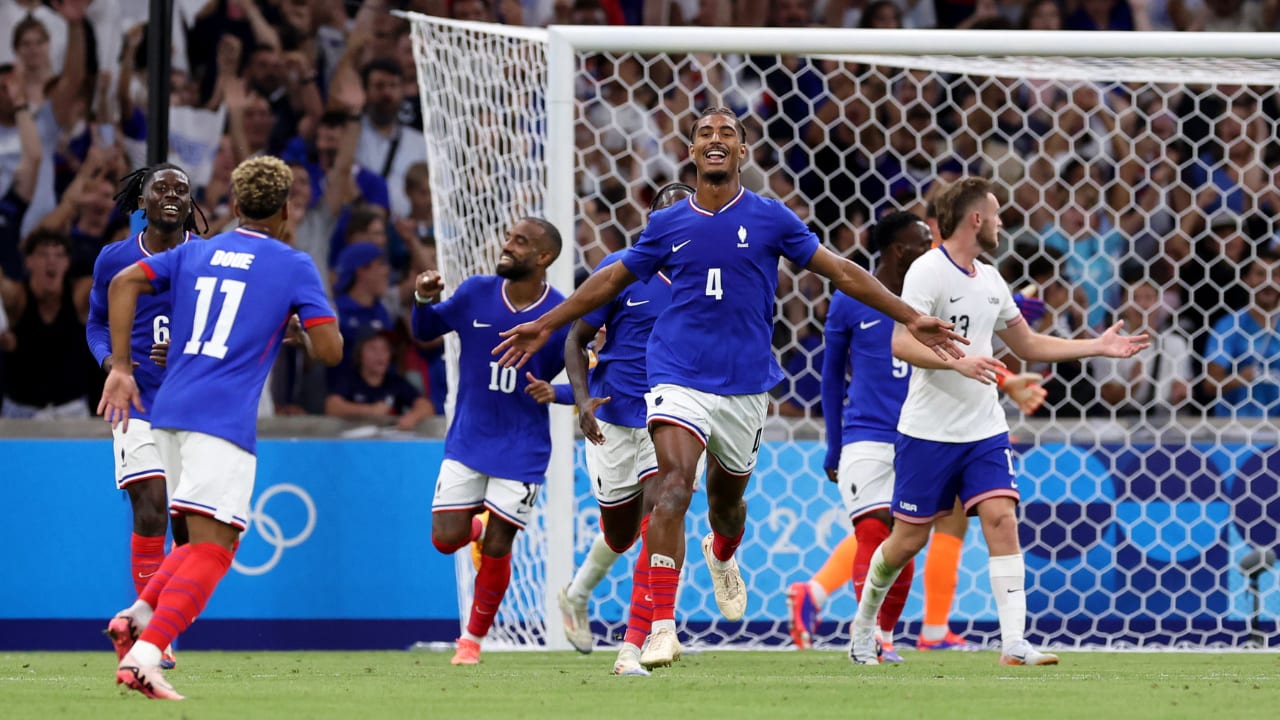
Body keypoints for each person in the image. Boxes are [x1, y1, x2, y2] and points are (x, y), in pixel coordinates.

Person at [493, 107, 966, 669]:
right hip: (676, 374)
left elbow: (841, 271)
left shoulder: (770, 218)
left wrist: (910, 316)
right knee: (672, 487)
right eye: (704, 135)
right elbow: (613, 277)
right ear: (691, 152)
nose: (715, 141)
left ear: (742, 151)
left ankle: (723, 554)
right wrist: (548, 322)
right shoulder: (667, 225)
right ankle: (661, 629)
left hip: (743, 386)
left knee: (726, 506)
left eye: (726, 135)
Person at [848, 177, 1147, 667]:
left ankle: (1013, 643)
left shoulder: (989, 279)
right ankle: (864, 628)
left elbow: (1027, 344)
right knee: (907, 540)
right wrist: (957, 362)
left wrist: (1097, 345)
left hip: (984, 427)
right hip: (928, 431)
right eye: (997, 212)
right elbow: (901, 343)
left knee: (1002, 519)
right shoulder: (928, 271)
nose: (1004, 221)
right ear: (976, 219)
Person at [98, 156, 342, 699]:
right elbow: (330, 350)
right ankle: (145, 655)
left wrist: (120, 367)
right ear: (285, 209)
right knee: (217, 548)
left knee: (193, 541)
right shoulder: (292, 263)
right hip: (221, 419)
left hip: (168, 411)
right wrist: (299, 327)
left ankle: (136, 617)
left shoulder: (195, 251)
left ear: (232, 205)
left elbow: (121, 284)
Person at [786, 212, 1047, 659]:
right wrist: (835, 443)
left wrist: (1010, 331)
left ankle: (911, 625)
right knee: (880, 529)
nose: (933, 247)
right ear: (901, 248)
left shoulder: (940, 289)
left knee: (920, 532)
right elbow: (831, 376)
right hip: (871, 433)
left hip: (930, 431)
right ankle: (891, 627)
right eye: (923, 240)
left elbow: (967, 349)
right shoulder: (855, 297)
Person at [547, 182, 700, 676]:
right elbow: (576, 338)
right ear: (652, 222)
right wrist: (582, 396)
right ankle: (577, 593)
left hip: (671, 416)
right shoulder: (621, 270)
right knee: (618, 532)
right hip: (613, 418)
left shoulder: (707, 277)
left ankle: (641, 641)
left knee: (660, 518)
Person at [410, 216, 570, 666]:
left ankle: (471, 642)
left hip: (523, 448)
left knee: (501, 546)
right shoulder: (475, 293)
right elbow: (425, 331)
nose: (507, 246)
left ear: (544, 258)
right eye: (508, 238)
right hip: (469, 438)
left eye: (520, 242)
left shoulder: (561, 315)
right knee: (445, 540)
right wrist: (424, 298)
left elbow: (593, 376)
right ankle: (475, 527)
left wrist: (556, 392)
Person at [85, 163, 205, 669]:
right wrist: (115, 365)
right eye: (162, 188)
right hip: (134, 402)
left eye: (182, 188)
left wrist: (187, 351)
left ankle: (154, 617)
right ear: (142, 201)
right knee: (150, 503)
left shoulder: (208, 258)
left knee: (188, 533)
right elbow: (95, 323)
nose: (172, 195)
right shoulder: (114, 258)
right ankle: (154, 637)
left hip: (192, 409)